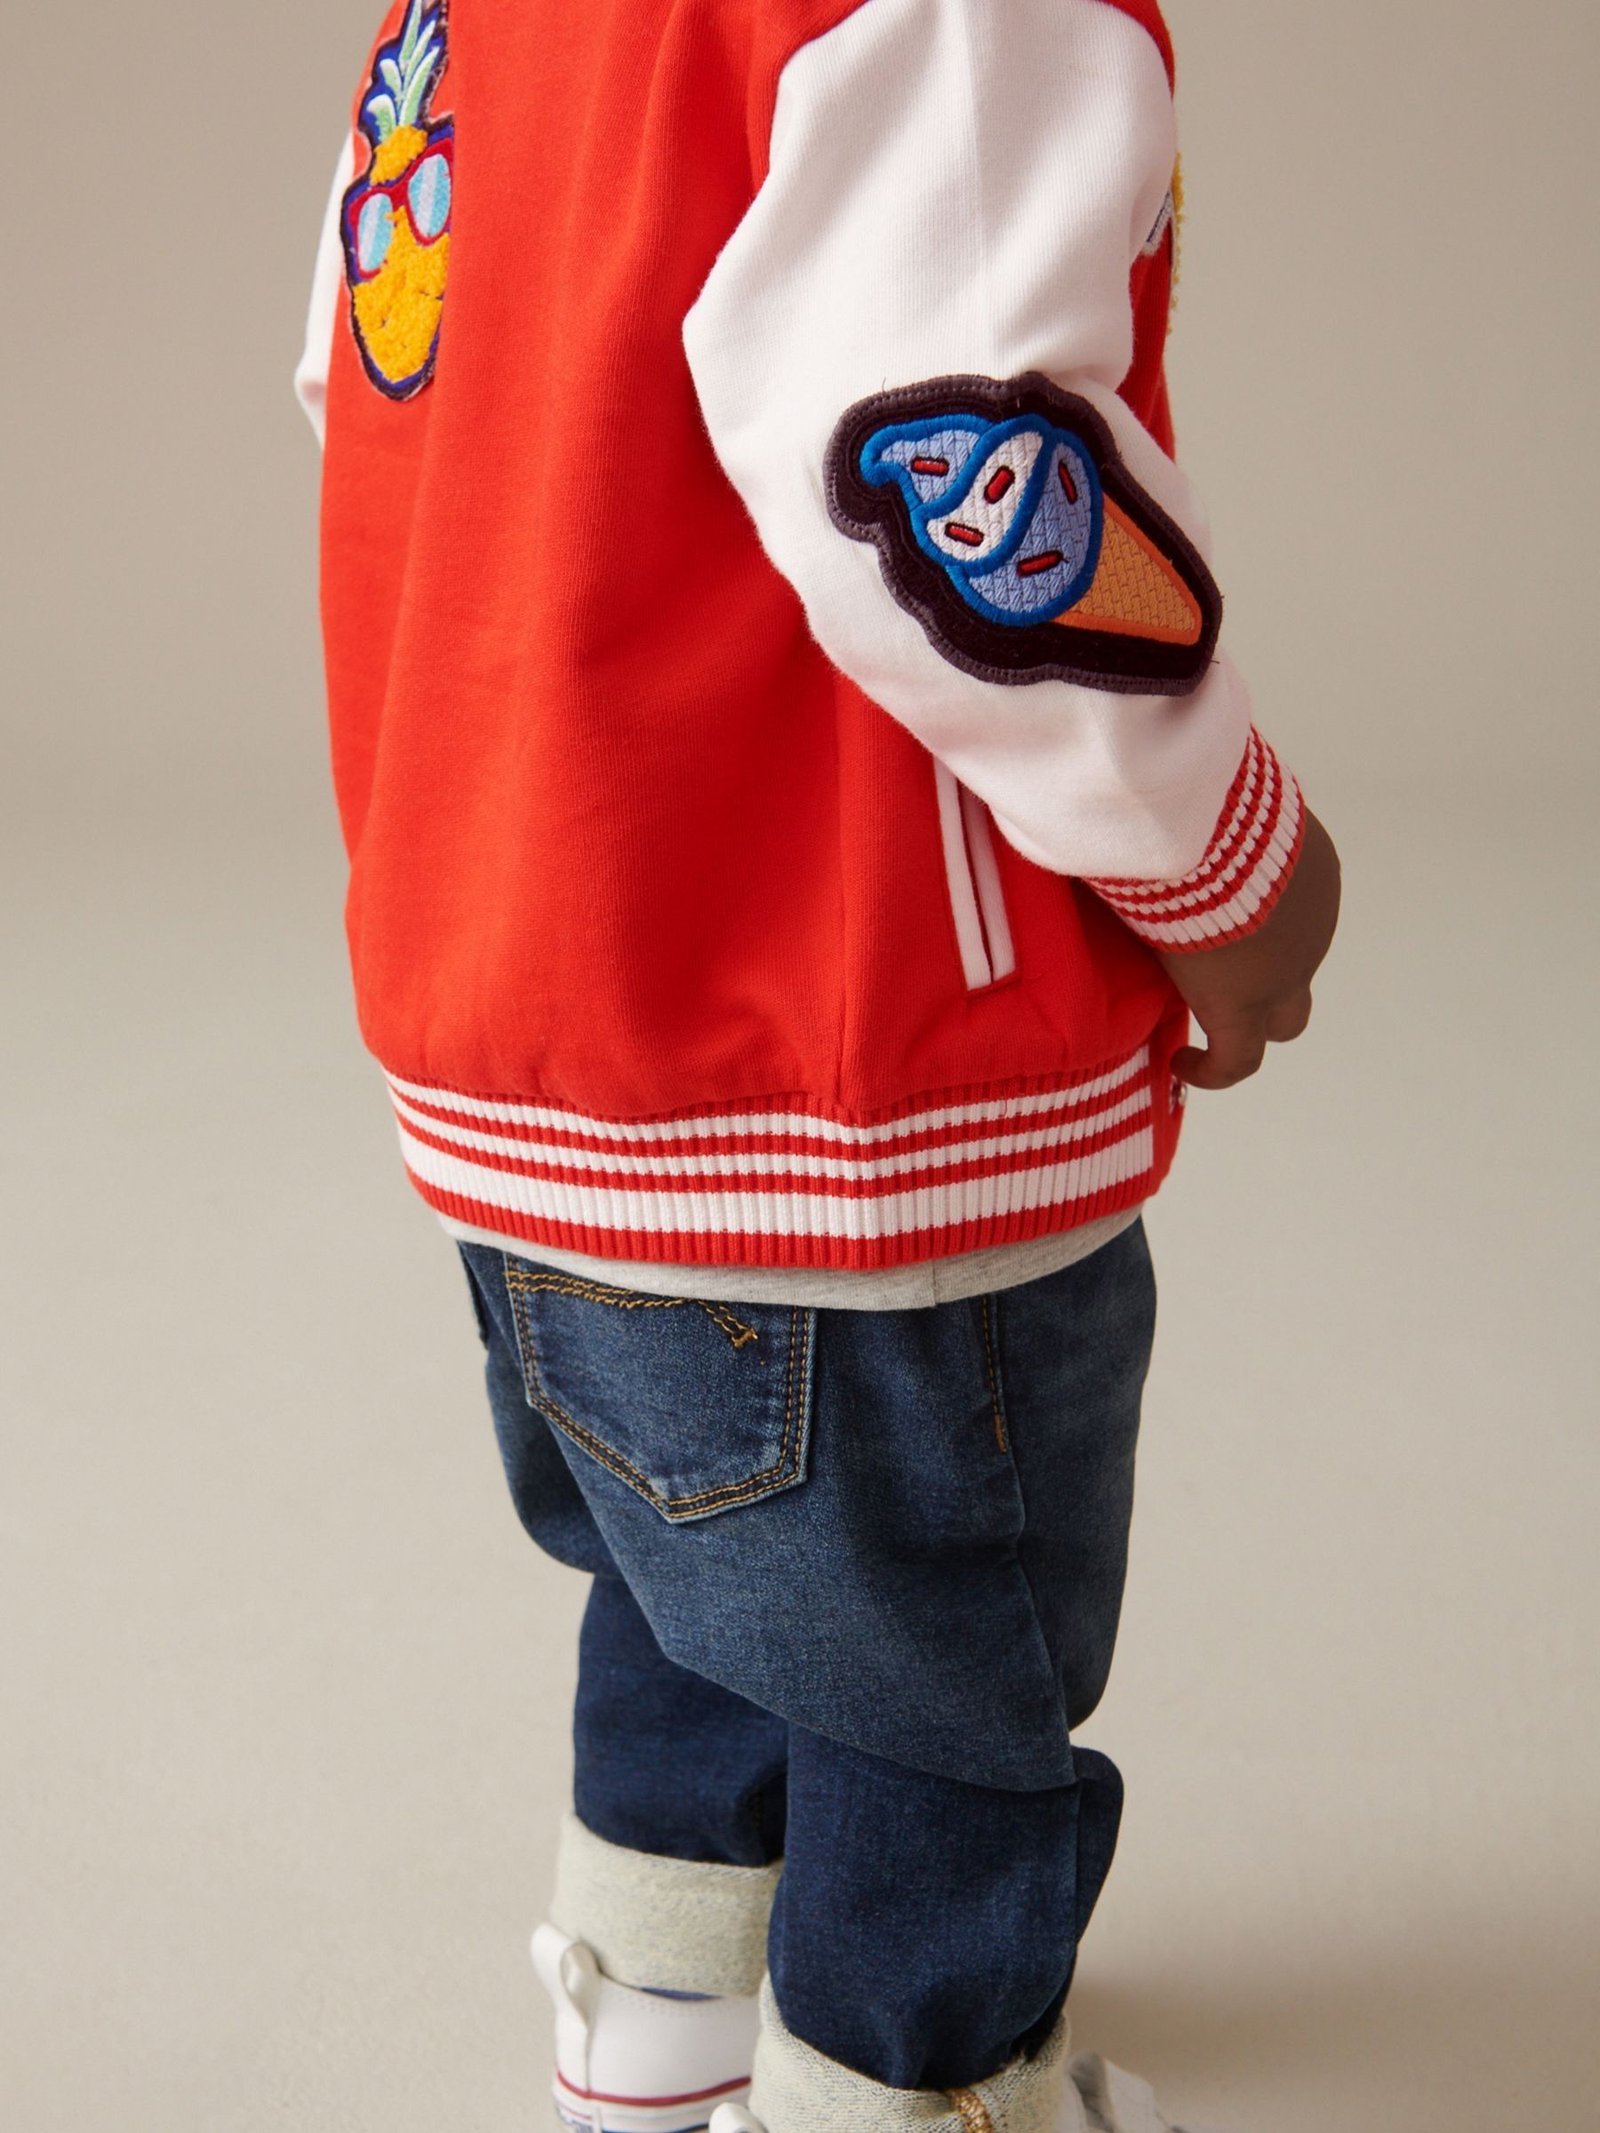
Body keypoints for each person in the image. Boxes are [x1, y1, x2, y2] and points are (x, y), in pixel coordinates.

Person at [294, 0, 1341, 2125]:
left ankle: (655, 2013)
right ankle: (911, 2088)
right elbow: (960, 475)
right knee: (938, 1678)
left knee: (691, 1576)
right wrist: (1220, 852)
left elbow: (374, 368)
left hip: (522, 993)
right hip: (848, 1058)